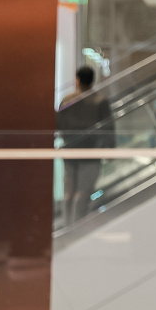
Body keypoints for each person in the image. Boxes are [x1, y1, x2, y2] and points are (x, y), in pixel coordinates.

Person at [56, 65, 115, 223]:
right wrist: (110, 150)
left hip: (70, 153)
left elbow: (58, 125)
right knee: (82, 194)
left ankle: (67, 226)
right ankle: (78, 228)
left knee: (68, 193)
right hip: (91, 154)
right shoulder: (100, 101)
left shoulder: (67, 100)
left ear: (77, 80)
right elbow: (108, 128)